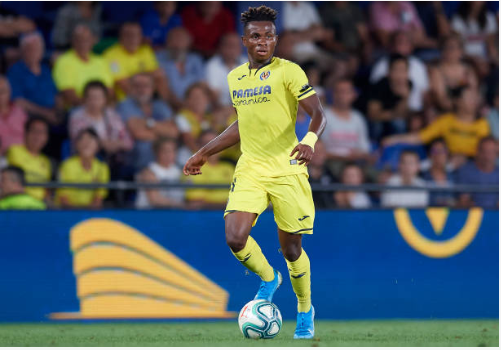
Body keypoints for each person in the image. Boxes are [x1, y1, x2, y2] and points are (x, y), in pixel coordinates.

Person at [183, 6, 326, 339]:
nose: (263, 41)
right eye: (256, 36)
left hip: (288, 167)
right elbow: (242, 126)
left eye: (270, 35)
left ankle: (305, 309)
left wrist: (309, 141)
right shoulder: (236, 78)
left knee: (292, 250)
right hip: (251, 167)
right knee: (235, 237)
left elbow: (318, 113)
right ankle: (268, 278)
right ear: (244, 40)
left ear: (276, 39)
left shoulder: (289, 72)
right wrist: (204, 152)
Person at [383, 86, 490, 167]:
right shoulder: (446, 121)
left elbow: (489, 149)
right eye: (469, 98)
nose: (473, 101)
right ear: (458, 101)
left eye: (474, 97)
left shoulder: (482, 124)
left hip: (474, 164)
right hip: (448, 163)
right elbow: (421, 137)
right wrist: (395, 139)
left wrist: (466, 158)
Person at [117, 73, 178, 172]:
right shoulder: (125, 105)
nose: (141, 90)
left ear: (153, 88)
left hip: (164, 164)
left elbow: (173, 132)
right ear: (131, 88)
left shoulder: (161, 105)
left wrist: (148, 123)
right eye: (137, 86)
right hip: (136, 163)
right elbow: (138, 133)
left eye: (146, 86)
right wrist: (162, 132)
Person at [103, 22, 172, 103]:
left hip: (150, 98)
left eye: (136, 35)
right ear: (120, 37)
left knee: (161, 78)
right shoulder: (111, 55)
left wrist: (133, 76)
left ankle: (168, 104)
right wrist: (147, 75)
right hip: (126, 101)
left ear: (141, 37)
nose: (133, 38)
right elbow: (123, 84)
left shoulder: (146, 50)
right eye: (128, 35)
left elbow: (158, 76)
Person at [69, 81, 133, 162]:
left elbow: (128, 142)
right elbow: (80, 142)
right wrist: (103, 144)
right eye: (91, 98)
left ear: (105, 99)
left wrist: (117, 144)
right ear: (84, 99)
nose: (94, 102)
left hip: (114, 160)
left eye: (98, 98)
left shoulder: (111, 115)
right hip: (87, 159)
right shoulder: (77, 116)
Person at [321, 79, 371, 179]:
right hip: (331, 163)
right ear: (334, 95)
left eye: (347, 92)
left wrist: (359, 155)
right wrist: (344, 157)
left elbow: (364, 149)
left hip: (355, 162)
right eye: (340, 92)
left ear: (353, 95)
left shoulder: (358, 118)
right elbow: (318, 151)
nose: (343, 96)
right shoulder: (324, 116)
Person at [52, 24, 113, 107]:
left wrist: (101, 108)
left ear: (93, 40)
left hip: (102, 109)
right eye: (78, 39)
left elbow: (109, 90)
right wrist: (93, 108)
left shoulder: (101, 61)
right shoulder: (63, 61)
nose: (82, 43)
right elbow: (69, 95)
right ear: (72, 41)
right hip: (78, 109)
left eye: (86, 39)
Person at [7, 32, 60, 125]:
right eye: (29, 49)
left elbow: (56, 95)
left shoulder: (46, 70)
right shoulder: (15, 71)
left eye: (37, 48)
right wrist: (45, 113)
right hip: (29, 119)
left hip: (51, 116)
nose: (34, 52)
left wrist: (58, 111)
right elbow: (18, 102)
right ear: (22, 51)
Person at [370, 31, 429, 112]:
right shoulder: (381, 65)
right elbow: (374, 97)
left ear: (411, 46)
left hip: (415, 112)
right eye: (398, 42)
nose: (401, 45)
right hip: (388, 112)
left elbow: (425, 92)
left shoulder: (418, 65)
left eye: (405, 42)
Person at [55, 128, 110, 208]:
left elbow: (98, 200)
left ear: (98, 145)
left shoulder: (102, 168)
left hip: (90, 215)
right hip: (66, 213)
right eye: (82, 139)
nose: (86, 143)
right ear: (76, 145)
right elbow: (63, 199)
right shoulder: (66, 165)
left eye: (90, 139)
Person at [184, 130, 234, 209]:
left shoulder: (229, 168)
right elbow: (195, 203)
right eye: (207, 143)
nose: (213, 148)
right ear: (199, 147)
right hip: (204, 216)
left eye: (216, 143)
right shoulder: (193, 168)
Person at [367, 54, 412, 141]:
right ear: (389, 72)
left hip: (391, 120)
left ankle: (397, 148)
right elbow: (373, 115)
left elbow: (403, 114)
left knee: (400, 123)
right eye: (396, 70)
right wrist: (394, 114)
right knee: (377, 125)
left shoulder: (408, 84)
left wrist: (405, 98)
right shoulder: (379, 85)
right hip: (373, 123)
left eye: (403, 70)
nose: (400, 74)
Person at [429, 34, 478, 112]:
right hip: (446, 111)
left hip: (468, 109)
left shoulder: (468, 69)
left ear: (461, 51)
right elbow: (441, 98)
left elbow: (474, 91)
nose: (449, 51)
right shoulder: (437, 71)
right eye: (446, 48)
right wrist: (460, 105)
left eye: (453, 48)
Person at [6, 117, 51, 202]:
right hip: (17, 201)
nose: (37, 136)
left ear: (46, 137)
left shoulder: (46, 161)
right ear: (25, 133)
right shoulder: (13, 151)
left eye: (42, 132)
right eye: (34, 131)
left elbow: (46, 190)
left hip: (39, 206)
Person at [156, 27, 206, 102]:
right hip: (167, 103)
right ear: (167, 41)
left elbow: (202, 84)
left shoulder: (195, 60)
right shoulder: (158, 58)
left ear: (188, 42)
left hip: (193, 103)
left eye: (181, 40)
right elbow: (161, 87)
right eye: (173, 39)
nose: (177, 44)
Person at [135, 137, 184, 209]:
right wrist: (183, 205)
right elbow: (155, 200)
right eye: (165, 151)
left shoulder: (179, 171)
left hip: (174, 213)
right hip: (150, 213)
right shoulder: (149, 172)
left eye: (172, 151)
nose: (169, 154)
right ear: (156, 152)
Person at [451, 2, 498, 76]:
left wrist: (495, 60)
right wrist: (473, 59)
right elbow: (458, 47)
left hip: (484, 59)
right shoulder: (458, 19)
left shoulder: (489, 18)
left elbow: (491, 46)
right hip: (466, 58)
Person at [369, 1, 437, 50]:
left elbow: (421, 35)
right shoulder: (376, 7)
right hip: (386, 51)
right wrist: (408, 36)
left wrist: (400, 38)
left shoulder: (406, 5)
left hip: (412, 49)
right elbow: (385, 40)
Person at [455, 136, 498, 209]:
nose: (487, 156)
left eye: (491, 152)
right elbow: (463, 201)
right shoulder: (465, 172)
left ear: (497, 154)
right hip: (472, 217)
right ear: (477, 152)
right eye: (484, 151)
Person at [206, 33, 248, 107]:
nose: (232, 49)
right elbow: (214, 97)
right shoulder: (212, 65)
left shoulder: (247, 63)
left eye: (236, 45)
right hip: (220, 108)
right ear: (221, 47)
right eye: (229, 45)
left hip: (244, 107)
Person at [422, 139, 455, 207]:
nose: (439, 155)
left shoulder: (454, 176)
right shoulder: (422, 177)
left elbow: (457, 200)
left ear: (447, 154)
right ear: (429, 155)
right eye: (435, 151)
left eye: (442, 151)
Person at [0, 76, 28, 154]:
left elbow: (29, 136)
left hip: (22, 155)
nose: (0, 95)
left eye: (3, 91)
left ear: (9, 92)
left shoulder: (20, 112)